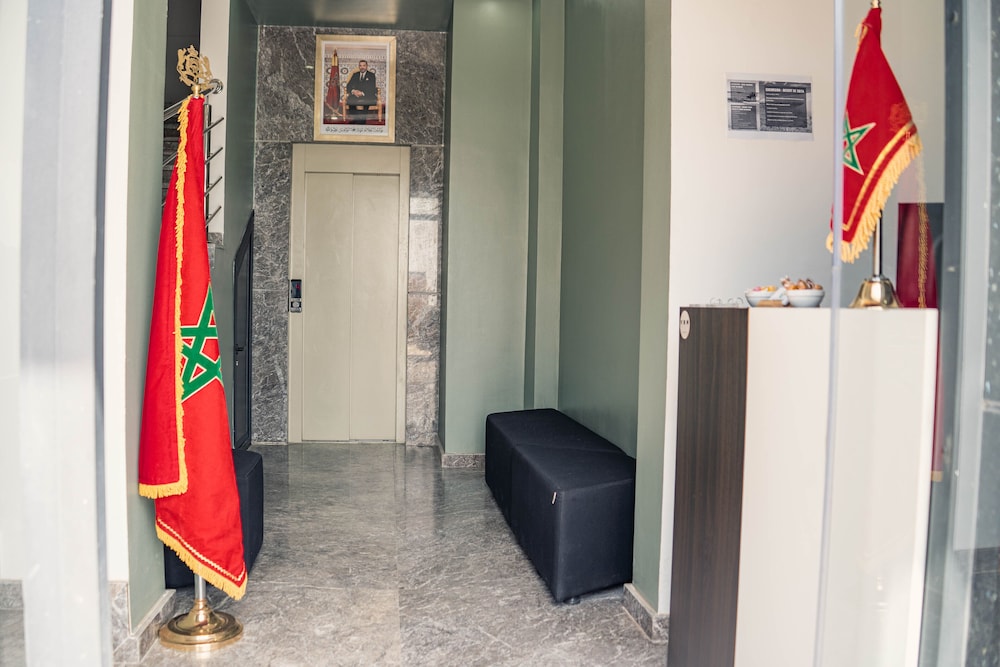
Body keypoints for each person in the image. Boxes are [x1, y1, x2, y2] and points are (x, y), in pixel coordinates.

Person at [345, 60, 377, 124]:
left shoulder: (371, 75)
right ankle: (355, 119)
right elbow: (349, 86)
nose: (362, 67)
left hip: (367, 95)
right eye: (360, 65)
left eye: (364, 65)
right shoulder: (355, 75)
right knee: (350, 100)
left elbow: (372, 88)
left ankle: (362, 121)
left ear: (367, 66)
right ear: (359, 66)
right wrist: (354, 91)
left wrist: (362, 93)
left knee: (366, 101)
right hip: (356, 94)